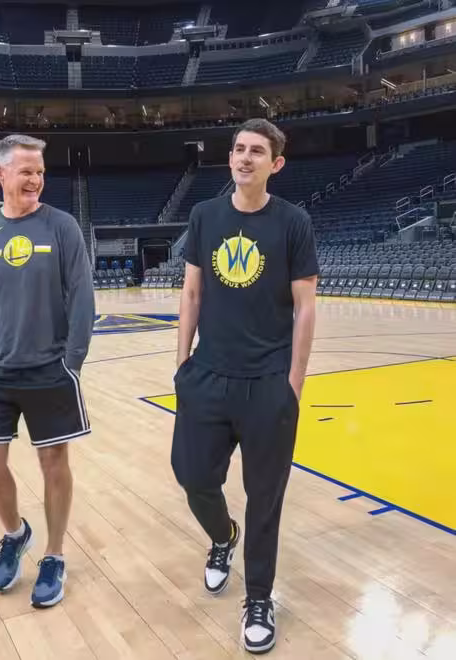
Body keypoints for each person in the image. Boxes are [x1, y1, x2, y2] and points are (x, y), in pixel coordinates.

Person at [171, 118, 318, 654]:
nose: (245, 157)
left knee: (265, 499)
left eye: (257, 151)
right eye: (238, 148)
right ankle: (222, 537)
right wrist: (182, 364)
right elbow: (192, 293)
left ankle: (258, 597)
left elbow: (305, 308)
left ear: (275, 164)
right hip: (207, 376)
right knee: (192, 477)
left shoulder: (293, 222)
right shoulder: (205, 216)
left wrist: (293, 384)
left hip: (268, 382)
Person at [0, 134, 95, 608]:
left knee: (53, 462)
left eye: (39, 171)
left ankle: (54, 555)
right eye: (26, 171)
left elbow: (82, 297)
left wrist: (72, 361)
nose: (35, 179)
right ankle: (16, 533)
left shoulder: (62, 227)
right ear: (0, 174)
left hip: (49, 366)